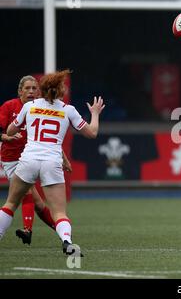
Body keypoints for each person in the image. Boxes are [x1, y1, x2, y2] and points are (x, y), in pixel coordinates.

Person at [0, 69, 105, 255]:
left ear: (42, 89)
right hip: (51, 162)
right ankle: (67, 241)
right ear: (60, 90)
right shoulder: (68, 110)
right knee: (59, 213)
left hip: (28, 159)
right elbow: (92, 133)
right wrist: (95, 113)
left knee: (10, 204)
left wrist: (16, 124)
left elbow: (9, 131)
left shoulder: (29, 106)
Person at [0, 75, 65, 245]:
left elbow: (51, 139)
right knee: (27, 194)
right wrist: (6, 138)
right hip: (13, 159)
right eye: (27, 88)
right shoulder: (9, 106)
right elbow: (2, 130)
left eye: (34, 88)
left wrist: (63, 158)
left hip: (31, 159)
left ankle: (64, 233)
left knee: (38, 204)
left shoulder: (40, 107)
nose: (31, 91)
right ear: (20, 91)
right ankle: (28, 230)